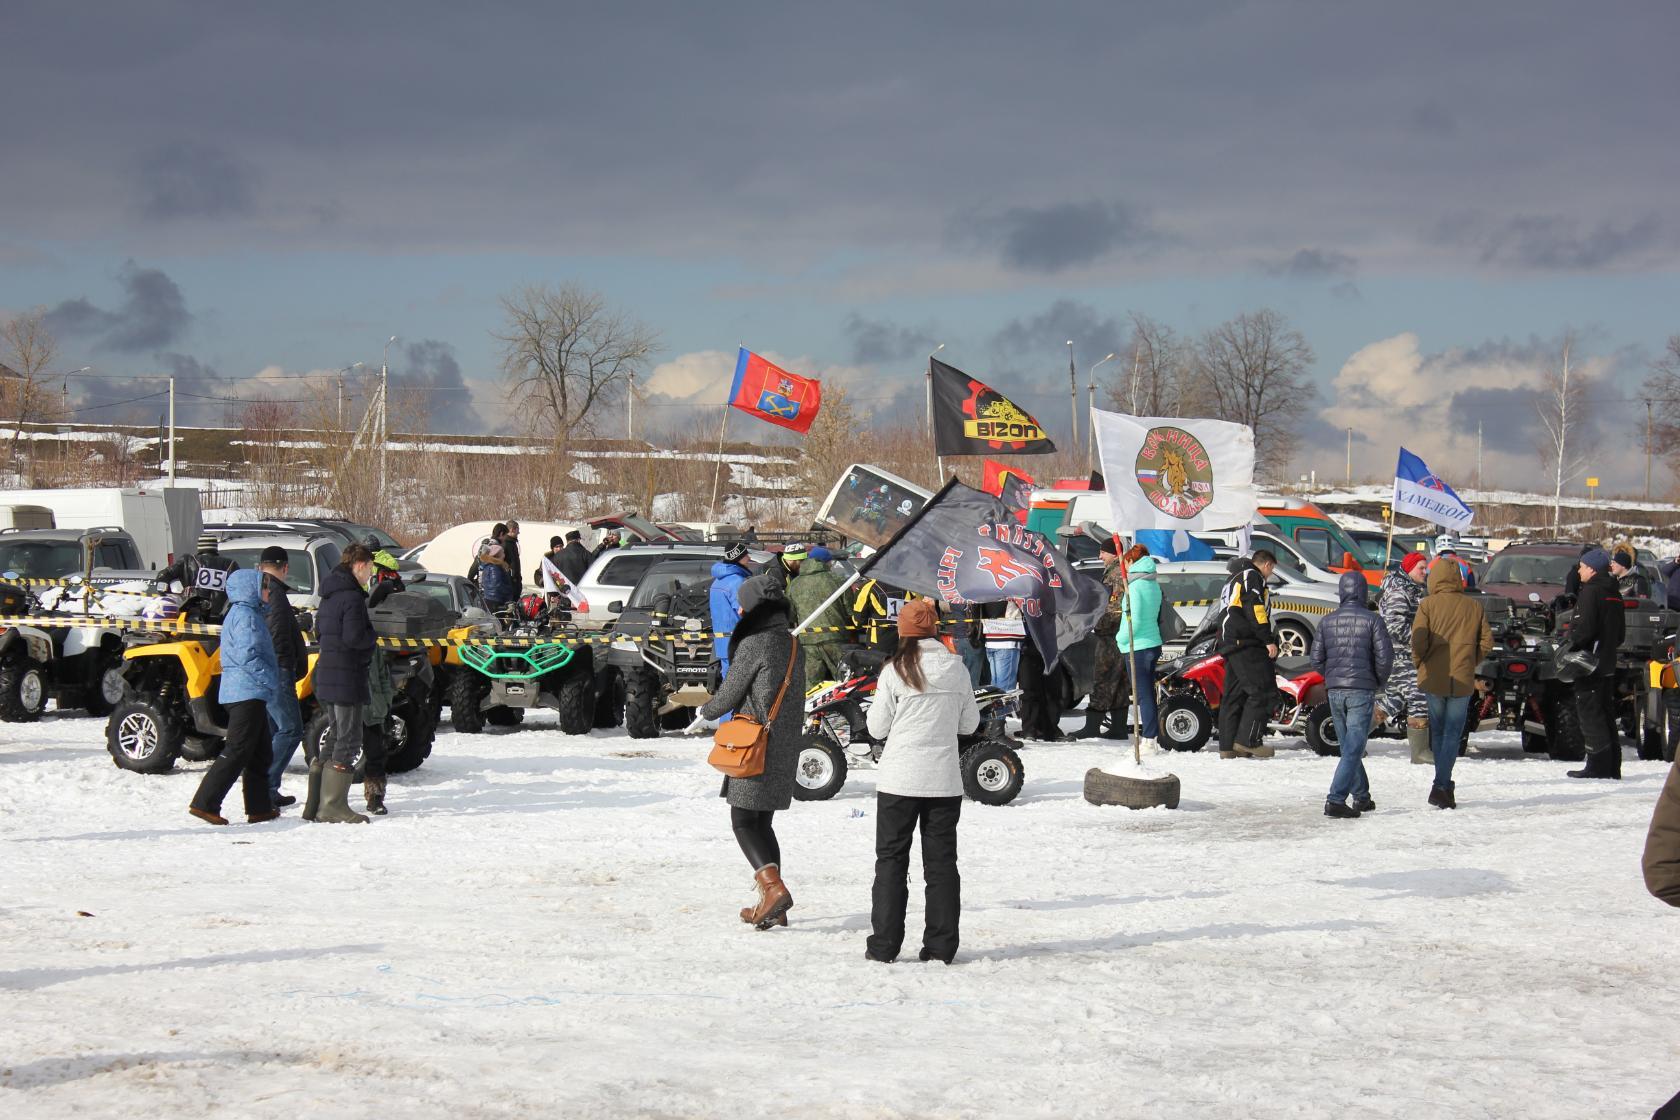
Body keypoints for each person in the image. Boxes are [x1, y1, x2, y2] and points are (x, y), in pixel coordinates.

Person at [863, 598, 980, 964]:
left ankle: (884, 946)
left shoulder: (894, 670)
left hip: (899, 780)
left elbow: (876, 727)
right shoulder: (956, 669)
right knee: (942, 865)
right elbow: (969, 725)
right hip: (943, 782)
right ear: (935, 629)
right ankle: (942, 946)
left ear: (902, 631)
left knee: (891, 862)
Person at [697, 576, 806, 930]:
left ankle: (773, 890)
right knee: (763, 823)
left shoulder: (754, 644)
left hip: (754, 743)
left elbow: (730, 693)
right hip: (785, 742)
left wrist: (705, 711)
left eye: (742, 604)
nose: (739, 609)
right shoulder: (792, 644)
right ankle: (773, 904)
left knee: (743, 822)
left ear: (755, 609)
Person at [188, 569, 279, 825]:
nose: (267, 592)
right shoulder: (246, 616)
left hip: (250, 690)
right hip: (246, 690)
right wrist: (268, 678)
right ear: (250, 589)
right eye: (264, 587)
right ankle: (205, 803)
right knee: (238, 749)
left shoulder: (247, 614)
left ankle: (259, 807)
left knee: (260, 752)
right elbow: (248, 655)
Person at [1411, 556, 1493, 808]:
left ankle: (1442, 785)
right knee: (1453, 734)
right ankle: (1442, 786)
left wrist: (1420, 664)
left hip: (1433, 677)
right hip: (1462, 678)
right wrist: (1470, 659)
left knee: (1438, 732)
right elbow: (1487, 643)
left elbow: (1418, 642)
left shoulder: (1427, 605)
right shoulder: (1474, 606)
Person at [1311, 571, 1394, 819]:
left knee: (1349, 746)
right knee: (1353, 749)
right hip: (1361, 689)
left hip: (1335, 690)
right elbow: (1385, 658)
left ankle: (1362, 797)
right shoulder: (1373, 620)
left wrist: (1333, 675)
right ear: (1362, 592)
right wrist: (1376, 680)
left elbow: (1316, 659)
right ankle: (1335, 799)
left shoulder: (1327, 621)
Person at [307, 543, 377, 824]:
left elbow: (320, 631)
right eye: (370, 568)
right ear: (359, 565)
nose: (370, 574)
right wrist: (372, 639)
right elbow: (354, 637)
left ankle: (315, 803)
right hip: (347, 675)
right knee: (348, 738)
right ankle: (333, 805)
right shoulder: (351, 597)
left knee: (335, 735)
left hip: (328, 673)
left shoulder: (329, 595)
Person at [1567, 547, 1627, 780]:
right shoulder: (1614, 592)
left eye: (1581, 566)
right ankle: (1612, 764)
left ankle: (1598, 765)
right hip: (1608, 661)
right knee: (1605, 711)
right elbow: (1620, 634)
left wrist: (1571, 645)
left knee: (1590, 712)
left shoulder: (1591, 592)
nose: (1579, 571)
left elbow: (1585, 629)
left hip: (1589, 663)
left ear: (1591, 569)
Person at [1217, 550, 1280, 760]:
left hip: (1230, 641)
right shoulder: (1252, 576)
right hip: (1245, 641)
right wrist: (1267, 639)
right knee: (1261, 691)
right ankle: (1248, 741)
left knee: (1233, 695)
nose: (1270, 575)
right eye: (1272, 570)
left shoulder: (1233, 578)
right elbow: (1255, 608)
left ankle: (1228, 745)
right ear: (1268, 565)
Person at [257, 546, 307, 808]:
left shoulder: (262, 589)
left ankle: (267, 787)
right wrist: (283, 666)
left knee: (275, 729)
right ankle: (264, 786)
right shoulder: (274, 592)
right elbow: (275, 632)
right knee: (290, 729)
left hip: (270, 669)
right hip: (277, 670)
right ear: (285, 567)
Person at [360, 551, 405, 814]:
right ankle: (327, 798)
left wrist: (386, 700)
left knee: (376, 752)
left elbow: (383, 675)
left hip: (375, 704)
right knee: (338, 751)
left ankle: (375, 798)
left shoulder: (373, 642)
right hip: (350, 700)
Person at [1378, 551, 1433, 765]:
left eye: (1425, 567)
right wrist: (1420, 638)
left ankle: (1353, 739)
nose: (1425, 571)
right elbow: (1393, 626)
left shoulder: (1411, 590)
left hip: (1405, 655)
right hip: (1401, 656)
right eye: (1421, 567)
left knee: (1392, 702)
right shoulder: (1400, 592)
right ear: (1408, 569)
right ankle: (1420, 752)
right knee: (1419, 699)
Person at [1079, 539, 1135, 740]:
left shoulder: (1117, 574)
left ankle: (1092, 725)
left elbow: (1115, 607)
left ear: (1113, 553)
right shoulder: (1119, 571)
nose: (1100, 556)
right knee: (1119, 682)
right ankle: (1119, 728)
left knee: (1103, 678)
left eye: (1103, 552)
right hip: (1119, 635)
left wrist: (1098, 623)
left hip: (1111, 636)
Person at [1115, 551, 1165, 751]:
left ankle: (1149, 738)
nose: (1124, 567)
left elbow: (1133, 621)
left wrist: (1120, 639)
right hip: (1152, 643)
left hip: (1138, 646)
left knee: (1143, 695)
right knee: (1147, 694)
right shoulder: (1153, 583)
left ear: (1130, 561)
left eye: (1125, 563)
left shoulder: (1134, 587)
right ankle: (1149, 737)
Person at [787, 545, 847, 681]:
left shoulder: (794, 583)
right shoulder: (838, 580)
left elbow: (790, 614)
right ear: (825, 562)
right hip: (835, 637)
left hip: (807, 640)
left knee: (810, 683)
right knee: (844, 679)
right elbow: (850, 609)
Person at [160, 534, 240, 619]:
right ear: (215, 547)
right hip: (222, 618)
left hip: (192, 616)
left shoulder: (188, 560)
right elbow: (240, 589)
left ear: (199, 546)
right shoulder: (231, 564)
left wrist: (164, 592)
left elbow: (164, 575)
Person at [708, 541, 753, 676]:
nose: (749, 557)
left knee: (729, 683)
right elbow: (743, 610)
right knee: (741, 684)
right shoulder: (737, 582)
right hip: (739, 643)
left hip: (723, 643)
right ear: (737, 558)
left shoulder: (717, 581)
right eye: (746, 555)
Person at [983, 599, 1024, 693]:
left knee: (996, 688)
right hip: (1006, 640)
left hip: (991, 638)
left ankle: (998, 707)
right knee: (1006, 690)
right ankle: (1004, 708)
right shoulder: (1008, 590)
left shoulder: (987, 590)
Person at [476, 542, 515, 616]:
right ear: (497, 555)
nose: (504, 555)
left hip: (491, 599)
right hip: (496, 600)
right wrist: (508, 595)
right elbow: (497, 585)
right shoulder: (494, 567)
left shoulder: (489, 566)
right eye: (502, 553)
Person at [501, 519, 523, 597]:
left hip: (515, 581)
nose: (518, 532)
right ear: (512, 529)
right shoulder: (505, 544)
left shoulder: (512, 543)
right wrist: (512, 577)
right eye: (517, 529)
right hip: (510, 582)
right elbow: (503, 562)